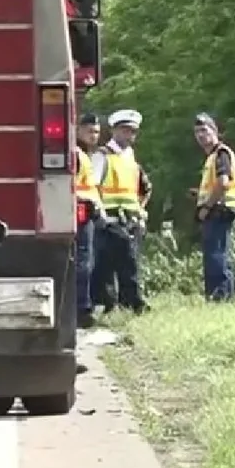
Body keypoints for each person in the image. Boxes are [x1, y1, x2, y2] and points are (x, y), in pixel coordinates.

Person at [90, 109, 149, 315]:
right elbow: (94, 186)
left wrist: (140, 212)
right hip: (109, 219)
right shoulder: (102, 156)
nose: (129, 134)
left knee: (129, 264)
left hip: (131, 220)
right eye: (124, 130)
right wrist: (100, 214)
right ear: (114, 131)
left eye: (132, 131)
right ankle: (115, 304)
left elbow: (143, 189)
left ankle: (128, 304)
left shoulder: (130, 159)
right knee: (107, 266)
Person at [192, 113, 235, 301]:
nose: (200, 135)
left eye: (204, 130)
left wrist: (206, 207)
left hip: (220, 210)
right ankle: (226, 295)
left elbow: (223, 183)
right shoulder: (213, 156)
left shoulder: (221, 154)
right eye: (197, 132)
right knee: (220, 254)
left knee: (215, 255)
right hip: (220, 209)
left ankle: (219, 297)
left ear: (214, 131)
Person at [73, 113, 104, 329]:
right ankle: (81, 309)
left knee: (87, 262)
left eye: (97, 132)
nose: (94, 136)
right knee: (83, 262)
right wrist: (89, 200)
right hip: (80, 214)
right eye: (90, 131)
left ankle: (84, 306)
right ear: (78, 130)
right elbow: (68, 188)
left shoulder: (85, 155)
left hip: (89, 214)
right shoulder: (76, 155)